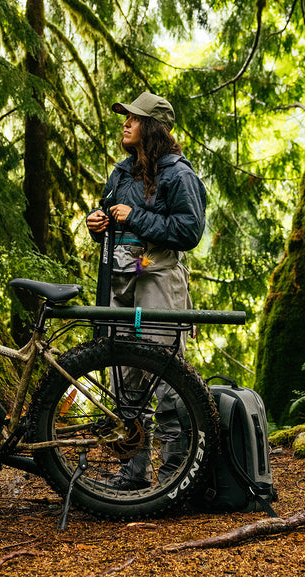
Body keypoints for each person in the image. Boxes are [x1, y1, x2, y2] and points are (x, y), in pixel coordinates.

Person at [86, 91, 207, 490]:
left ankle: (175, 478)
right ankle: (131, 475)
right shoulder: (121, 173)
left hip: (158, 277)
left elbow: (188, 232)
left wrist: (136, 216)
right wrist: (98, 224)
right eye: (125, 117)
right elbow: (112, 220)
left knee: (168, 383)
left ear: (152, 128)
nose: (125, 123)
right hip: (122, 280)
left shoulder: (178, 174)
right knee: (125, 383)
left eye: (134, 118)